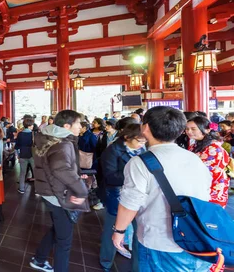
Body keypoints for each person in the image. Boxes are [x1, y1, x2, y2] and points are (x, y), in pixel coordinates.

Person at [112, 106, 213, 272]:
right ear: (181, 130)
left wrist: (119, 230)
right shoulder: (194, 158)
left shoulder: (140, 162)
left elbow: (130, 202)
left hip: (159, 242)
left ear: (145, 128)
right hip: (196, 239)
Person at [30, 110, 89, 272]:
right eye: (78, 123)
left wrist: (75, 175)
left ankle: (40, 259)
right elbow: (61, 169)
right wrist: (81, 190)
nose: (80, 126)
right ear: (66, 126)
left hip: (49, 190)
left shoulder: (49, 137)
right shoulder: (62, 143)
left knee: (58, 228)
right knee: (64, 242)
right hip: (58, 194)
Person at [99, 124, 145, 271]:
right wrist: (134, 176)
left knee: (140, 231)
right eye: (139, 140)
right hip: (117, 195)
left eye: (144, 141)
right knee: (113, 229)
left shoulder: (144, 149)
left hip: (140, 194)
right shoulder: (112, 151)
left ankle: (137, 265)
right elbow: (110, 177)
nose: (142, 144)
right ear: (127, 137)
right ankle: (106, 261)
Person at [186, 116, 230, 208]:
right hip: (202, 187)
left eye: (193, 129)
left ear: (207, 130)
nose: (189, 131)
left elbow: (205, 172)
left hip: (212, 188)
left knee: (209, 217)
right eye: (187, 129)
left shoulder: (214, 148)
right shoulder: (195, 145)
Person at [16, 117, 35, 194]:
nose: (33, 126)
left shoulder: (20, 134)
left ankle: (21, 188)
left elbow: (17, 146)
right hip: (32, 154)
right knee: (36, 172)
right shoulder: (33, 134)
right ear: (30, 125)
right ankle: (38, 190)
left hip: (23, 154)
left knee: (22, 172)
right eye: (32, 125)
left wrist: (18, 155)